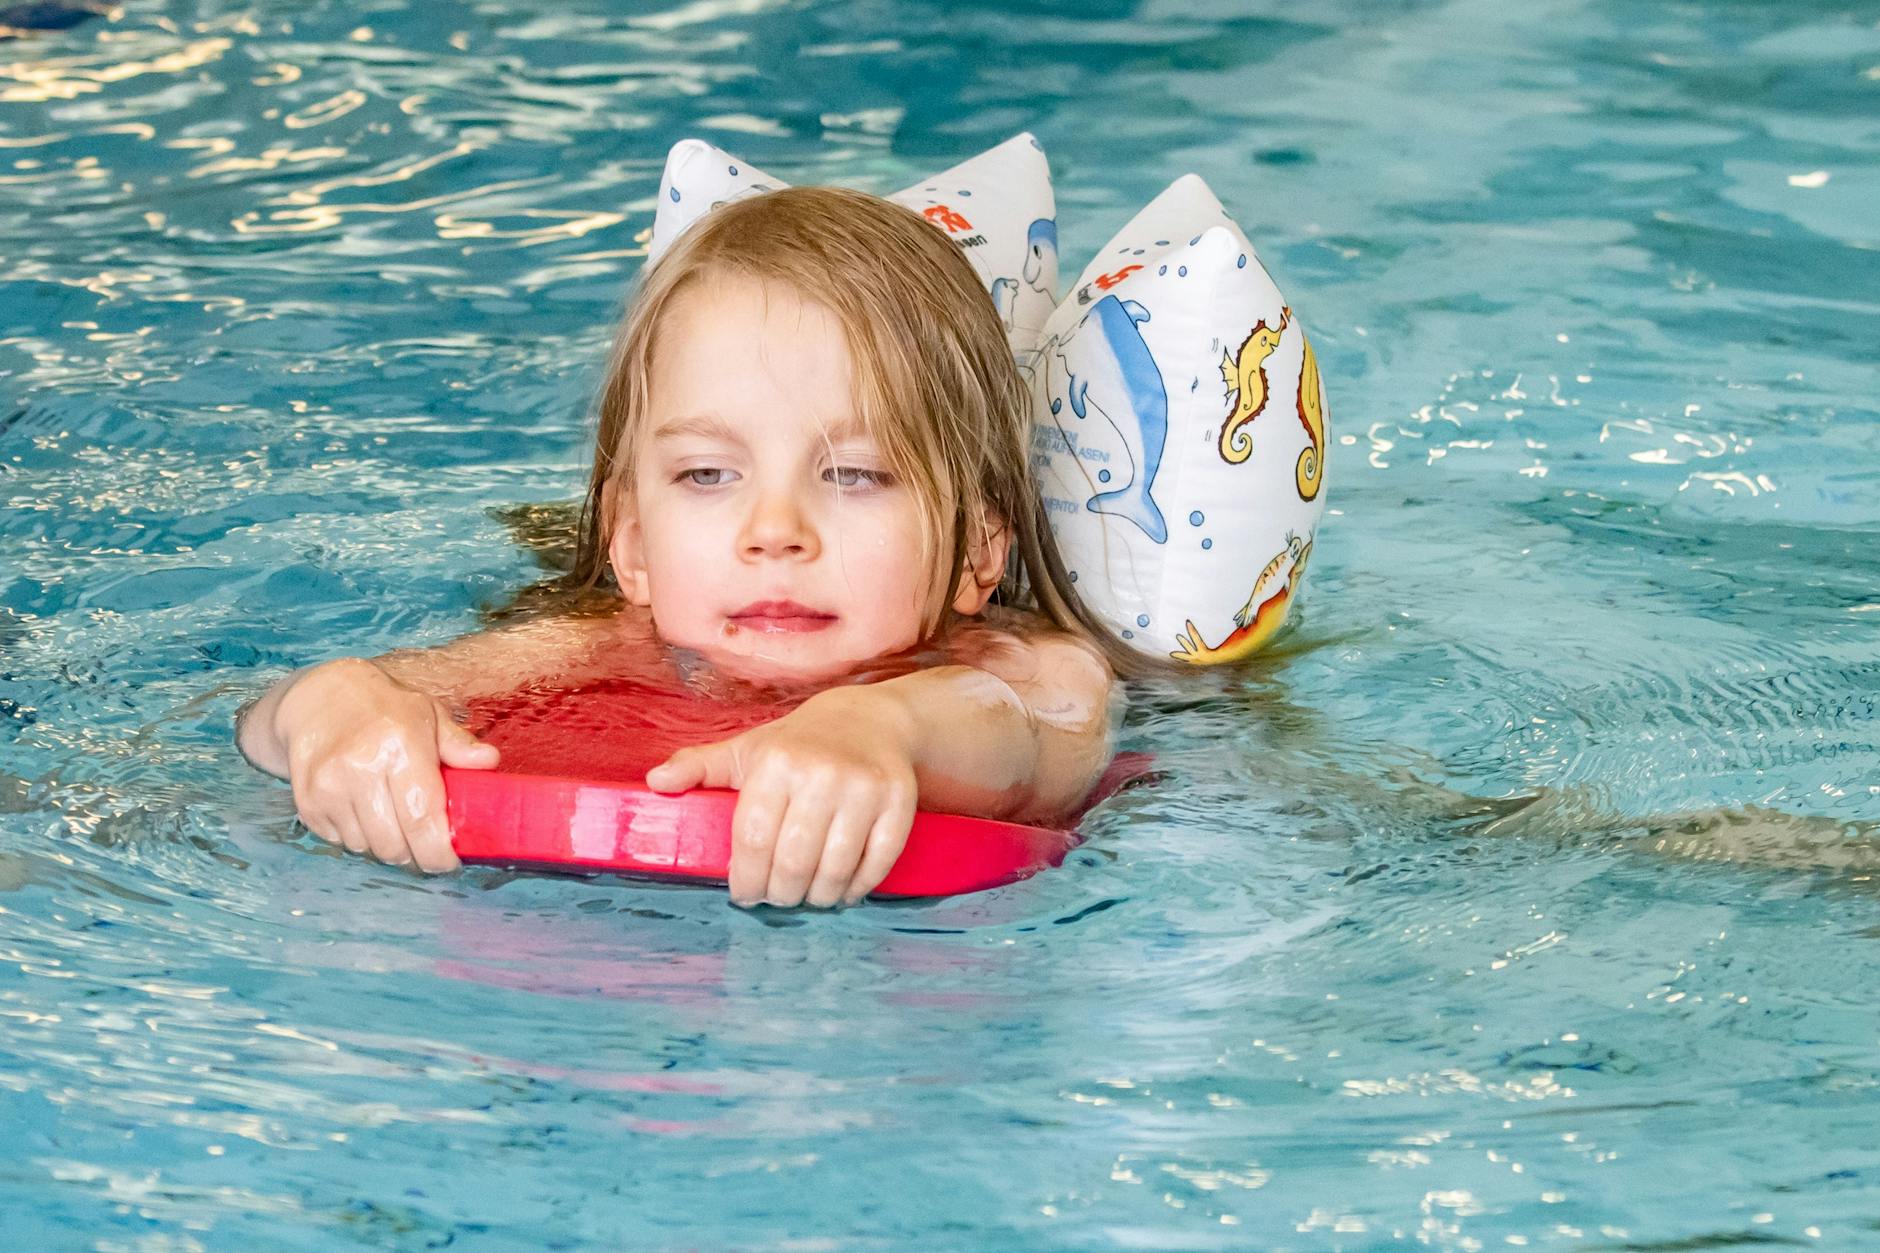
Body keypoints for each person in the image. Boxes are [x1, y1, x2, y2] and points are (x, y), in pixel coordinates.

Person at [237, 185, 1153, 909]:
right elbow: (276, 723)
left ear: (977, 552)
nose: (775, 533)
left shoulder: (1022, 663)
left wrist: (883, 727)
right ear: (632, 546)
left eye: (856, 475)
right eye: (708, 476)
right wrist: (333, 703)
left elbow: (1048, 736)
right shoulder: (596, 647)